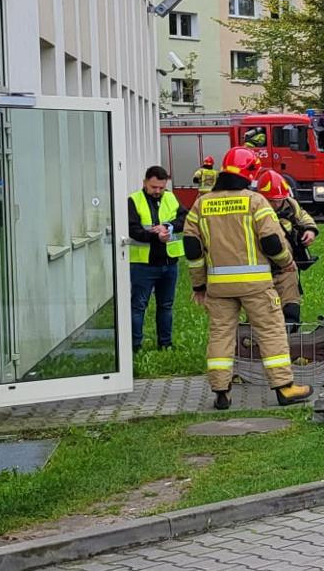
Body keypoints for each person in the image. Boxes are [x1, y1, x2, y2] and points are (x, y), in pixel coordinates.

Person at [183, 148, 311, 410]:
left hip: (218, 287)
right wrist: (286, 263)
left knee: (220, 335)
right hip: (256, 285)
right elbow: (272, 242)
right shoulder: (255, 201)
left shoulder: (201, 205)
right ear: (251, 172)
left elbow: (192, 250)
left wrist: (198, 284)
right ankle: (284, 388)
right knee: (271, 332)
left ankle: (221, 391)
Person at [126, 166, 184, 350]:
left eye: (161, 187)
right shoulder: (134, 200)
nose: (158, 191)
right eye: (153, 187)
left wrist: (168, 226)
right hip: (143, 264)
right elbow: (132, 229)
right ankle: (135, 346)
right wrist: (155, 236)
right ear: (145, 182)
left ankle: (165, 344)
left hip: (169, 262)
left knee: (166, 306)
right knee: (138, 306)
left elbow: (184, 218)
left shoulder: (170, 197)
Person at [255, 170, 318, 330]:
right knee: (261, 311)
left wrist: (310, 230)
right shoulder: (253, 209)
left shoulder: (290, 204)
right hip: (261, 268)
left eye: (278, 200)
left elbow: (302, 216)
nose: (276, 205)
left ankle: (292, 331)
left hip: (288, 268)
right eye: (271, 201)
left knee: (291, 305)